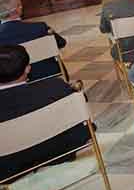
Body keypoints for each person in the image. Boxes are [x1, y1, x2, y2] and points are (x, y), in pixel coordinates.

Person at [0, 45, 91, 182]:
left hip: (9, 166)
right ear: (28, 68)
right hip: (61, 148)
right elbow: (81, 103)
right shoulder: (56, 86)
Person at [0, 0, 67, 81]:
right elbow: (61, 43)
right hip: (50, 74)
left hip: (12, 81)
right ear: (19, 9)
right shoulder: (39, 27)